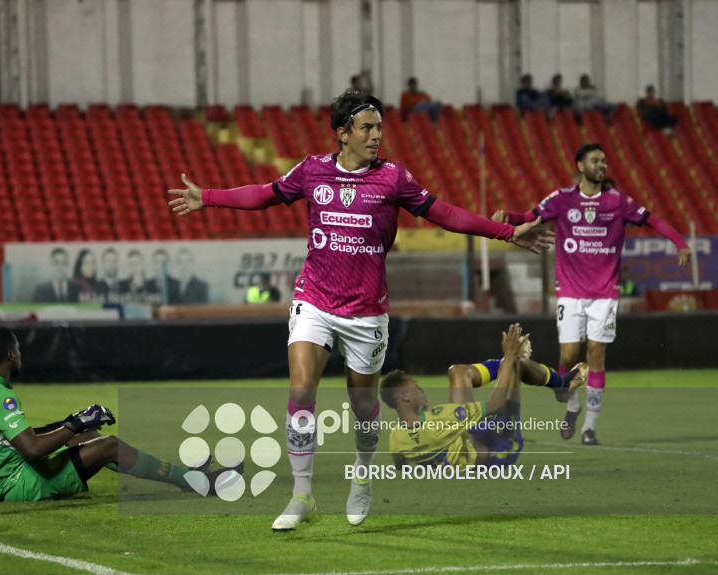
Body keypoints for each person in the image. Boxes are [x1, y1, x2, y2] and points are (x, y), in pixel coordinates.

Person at [168, 89, 554, 531]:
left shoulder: (393, 178)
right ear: (342, 133)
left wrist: (507, 233)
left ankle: (362, 476)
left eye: (379, 128)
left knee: (364, 405)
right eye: (367, 128)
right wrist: (209, 197)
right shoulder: (312, 171)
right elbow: (264, 194)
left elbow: (445, 214)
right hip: (314, 299)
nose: (376, 136)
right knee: (300, 392)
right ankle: (301, 495)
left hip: (366, 313)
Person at [491, 143, 690, 445]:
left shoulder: (618, 201)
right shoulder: (561, 199)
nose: (602, 165)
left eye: (604, 160)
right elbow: (530, 215)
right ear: (580, 166)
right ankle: (572, 406)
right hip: (570, 292)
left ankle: (589, 428)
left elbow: (652, 219)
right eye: (595, 160)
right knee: (569, 357)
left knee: (596, 355)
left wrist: (679, 241)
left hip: (605, 292)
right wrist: (508, 216)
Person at [0, 326, 241, 502]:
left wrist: (72, 423)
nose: (21, 355)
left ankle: (184, 475)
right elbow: (33, 449)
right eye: (18, 351)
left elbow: (19, 437)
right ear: (11, 355)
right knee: (108, 445)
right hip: (10, 485)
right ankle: (192, 482)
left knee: (90, 435)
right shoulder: (2, 396)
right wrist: (73, 424)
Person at [380, 324, 588, 469]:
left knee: (457, 372)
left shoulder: (396, 438)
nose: (421, 389)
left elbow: (400, 464)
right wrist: (508, 357)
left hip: (470, 436)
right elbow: (496, 405)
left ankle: (545, 378)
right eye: (416, 387)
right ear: (404, 397)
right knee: (515, 364)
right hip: (499, 447)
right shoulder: (443, 419)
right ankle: (560, 385)